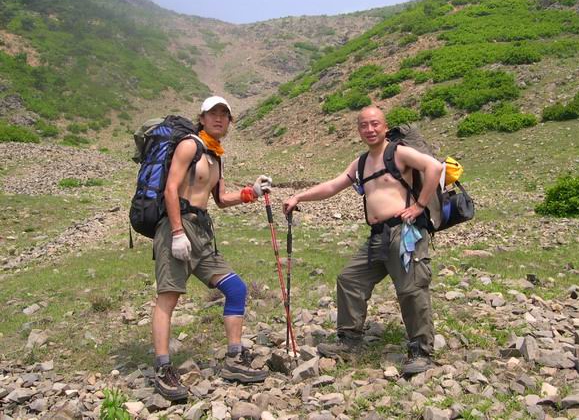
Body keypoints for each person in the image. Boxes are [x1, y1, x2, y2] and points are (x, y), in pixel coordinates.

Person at [283, 106, 443, 376]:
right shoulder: (361, 163)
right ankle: (349, 340)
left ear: (385, 126)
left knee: (411, 289)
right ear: (358, 129)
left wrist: (419, 205)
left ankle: (421, 350)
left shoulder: (398, 152)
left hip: (405, 232)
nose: (370, 129)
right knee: (350, 279)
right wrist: (299, 196)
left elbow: (434, 167)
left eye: (375, 124)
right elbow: (332, 186)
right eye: (364, 125)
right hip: (378, 235)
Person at [152, 96, 272, 401]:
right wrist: (177, 232)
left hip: (202, 232)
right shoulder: (189, 146)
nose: (219, 118)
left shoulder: (215, 156)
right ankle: (163, 368)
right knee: (168, 297)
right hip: (178, 226)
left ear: (230, 121)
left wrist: (251, 192)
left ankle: (234, 358)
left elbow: (219, 199)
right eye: (213, 113)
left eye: (224, 114)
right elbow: (170, 189)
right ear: (202, 118)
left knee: (236, 289)